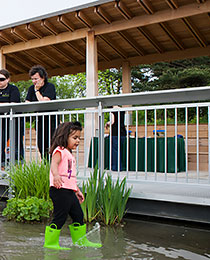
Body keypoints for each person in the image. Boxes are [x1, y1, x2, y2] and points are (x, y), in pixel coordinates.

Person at [43, 121, 102, 250]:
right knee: (60, 216)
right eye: (74, 138)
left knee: (78, 215)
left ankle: (80, 241)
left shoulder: (69, 154)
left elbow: (70, 177)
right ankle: (51, 243)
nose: (78, 141)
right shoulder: (60, 151)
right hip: (59, 190)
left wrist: (76, 190)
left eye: (79, 138)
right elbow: (53, 164)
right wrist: (56, 175)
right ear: (64, 137)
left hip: (69, 191)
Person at [0, 69, 23, 178]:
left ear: (8, 79)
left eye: (2, 79)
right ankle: (2, 170)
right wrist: (1, 104)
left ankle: (17, 171)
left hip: (14, 122)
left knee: (16, 146)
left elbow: (14, 104)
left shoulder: (13, 89)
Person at [25, 65, 57, 162]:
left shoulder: (50, 87)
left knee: (52, 143)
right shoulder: (31, 88)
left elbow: (44, 102)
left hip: (51, 120)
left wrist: (37, 91)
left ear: (43, 78)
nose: (34, 81)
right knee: (41, 144)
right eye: (32, 79)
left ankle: (53, 164)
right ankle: (45, 164)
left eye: (36, 79)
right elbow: (27, 103)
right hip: (39, 120)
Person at [105, 106, 127, 171]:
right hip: (122, 133)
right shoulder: (122, 111)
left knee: (115, 151)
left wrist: (107, 123)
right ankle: (120, 167)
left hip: (115, 133)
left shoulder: (113, 111)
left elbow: (112, 121)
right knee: (120, 150)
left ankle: (115, 167)